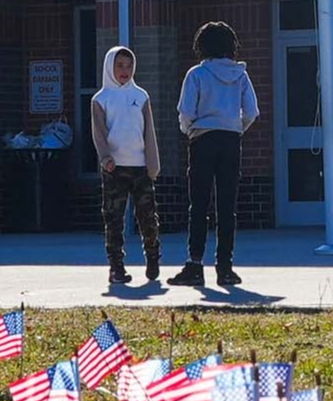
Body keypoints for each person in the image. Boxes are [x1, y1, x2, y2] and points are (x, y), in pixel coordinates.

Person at [172, 21, 257, 289]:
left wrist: (190, 131)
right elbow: (252, 112)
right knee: (226, 206)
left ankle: (195, 264)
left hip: (203, 139)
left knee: (198, 204)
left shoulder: (196, 74)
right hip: (231, 140)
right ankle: (226, 267)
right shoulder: (240, 75)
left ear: (202, 45)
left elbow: (186, 112)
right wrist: (235, 128)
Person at [90, 44, 159, 291]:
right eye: (119, 65)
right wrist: (106, 157)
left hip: (140, 167)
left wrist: (153, 164)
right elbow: (99, 132)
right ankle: (116, 267)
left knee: (147, 217)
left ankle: (152, 257)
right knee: (114, 219)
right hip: (114, 169)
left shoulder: (141, 96)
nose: (125, 70)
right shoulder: (100, 99)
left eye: (129, 66)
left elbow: (148, 132)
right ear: (110, 66)